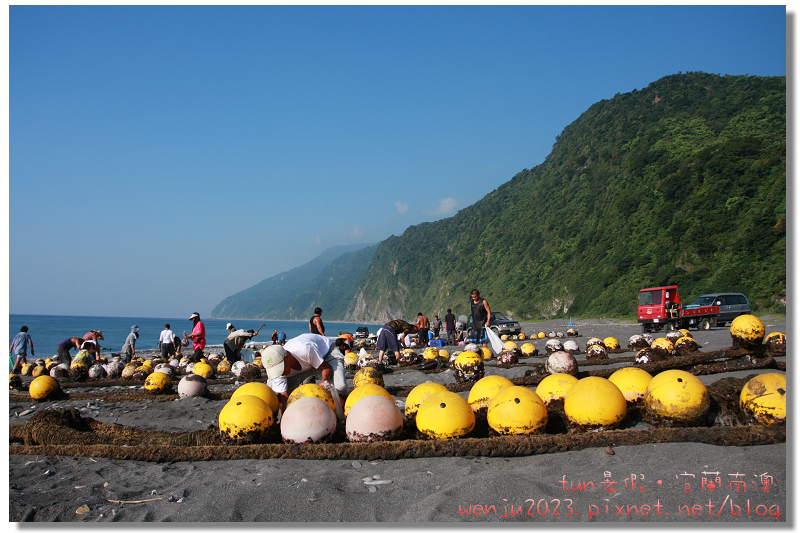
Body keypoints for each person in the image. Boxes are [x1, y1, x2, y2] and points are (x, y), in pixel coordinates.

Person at [263, 333, 349, 411]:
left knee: (340, 387)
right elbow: (285, 397)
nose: (280, 373)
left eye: (280, 369)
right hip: (305, 364)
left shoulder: (304, 349)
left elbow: (326, 367)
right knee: (275, 391)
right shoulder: (278, 364)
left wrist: (324, 381)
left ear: (287, 358)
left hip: (326, 354)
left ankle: (346, 410)